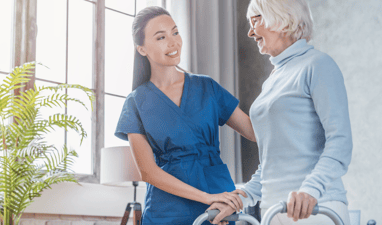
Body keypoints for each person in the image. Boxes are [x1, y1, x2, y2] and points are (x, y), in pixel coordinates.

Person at [210, 0, 353, 224]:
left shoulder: (318, 65)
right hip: (272, 210)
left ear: (282, 18)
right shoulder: (273, 80)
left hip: (315, 209)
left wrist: (310, 191)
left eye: (255, 20)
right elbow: (271, 163)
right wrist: (243, 197)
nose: (249, 32)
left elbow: (340, 141)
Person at [114, 6, 255, 225]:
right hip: (167, 209)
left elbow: (254, 132)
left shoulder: (207, 87)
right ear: (142, 49)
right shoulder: (135, 102)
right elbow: (148, 172)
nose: (173, 42)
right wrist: (205, 197)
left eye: (175, 32)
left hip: (219, 206)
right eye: (161, 37)